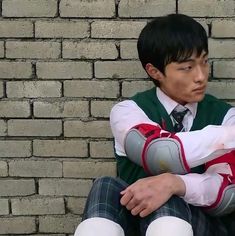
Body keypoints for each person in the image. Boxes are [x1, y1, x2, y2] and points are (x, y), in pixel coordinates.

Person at [74, 14, 235, 236]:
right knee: (105, 187)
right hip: (136, 224)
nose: (201, 76)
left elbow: (226, 192)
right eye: (187, 67)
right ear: (154, 71)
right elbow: (162, 152)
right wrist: (230, 137)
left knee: (169, 202)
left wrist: (174, 184)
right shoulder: (128, 112)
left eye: (204, 62)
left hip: (202, 225)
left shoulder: (226, 116)